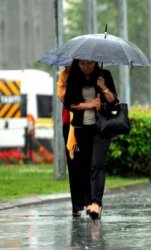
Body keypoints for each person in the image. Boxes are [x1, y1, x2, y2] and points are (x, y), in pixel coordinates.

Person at [64, 59, 118, 220]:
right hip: (82, 128)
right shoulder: (74, 78)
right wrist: (87, 105)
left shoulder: (104, 75)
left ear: (95, 63)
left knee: (98, 165)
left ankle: (96, 203)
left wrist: (104, 88)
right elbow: (69, 104)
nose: (86, 67)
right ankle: (87, 201)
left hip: (101, 128)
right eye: (82, 64)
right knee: (85, 165)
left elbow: (114, 102)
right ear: (77, 65)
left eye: (89, 63)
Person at [57, 66, 88, 217]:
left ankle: (89, 201)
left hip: (87, 121)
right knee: (73, 162)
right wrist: (72, 85)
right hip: (68, 123)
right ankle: (76, 204)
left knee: (86, 161)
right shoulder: (64, 75)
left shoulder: (89, 73)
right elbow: (61, 97)